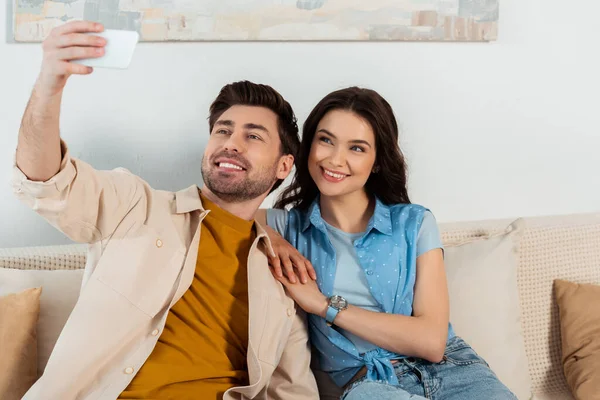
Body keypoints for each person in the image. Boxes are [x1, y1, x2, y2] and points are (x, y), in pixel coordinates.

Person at [13, 20, 318, 400]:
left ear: (284, 166)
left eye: (252, 136)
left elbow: (293, 392)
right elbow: (45, 182)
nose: (230, 144)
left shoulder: (283, 280)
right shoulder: (137, 207)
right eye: (222, 131)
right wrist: (49, 85)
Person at [256, 87, 517, 400]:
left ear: (377, 161)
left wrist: (325, 306)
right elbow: (220, 208)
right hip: (369, 388)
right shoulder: (288, 228)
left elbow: (431, 341)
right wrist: (270, 236)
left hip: (456, 372)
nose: (335, 159)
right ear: (308, 145)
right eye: (325, 140)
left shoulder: (414, 223)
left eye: (357, 148)